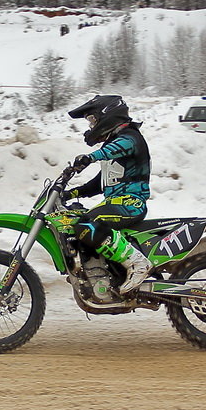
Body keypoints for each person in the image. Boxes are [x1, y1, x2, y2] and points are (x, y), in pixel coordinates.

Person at [66, 95, 153, 296]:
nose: (91, 125)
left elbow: (115, 148)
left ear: (107, 114)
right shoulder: (114, 146)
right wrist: (71, 193)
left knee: (87, 225)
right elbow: (100, 183)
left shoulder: (131, 137)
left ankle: (139, 264)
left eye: (92, 120)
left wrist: (91, 157)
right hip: (115, 202)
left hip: (131, 203)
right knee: (77, 224)